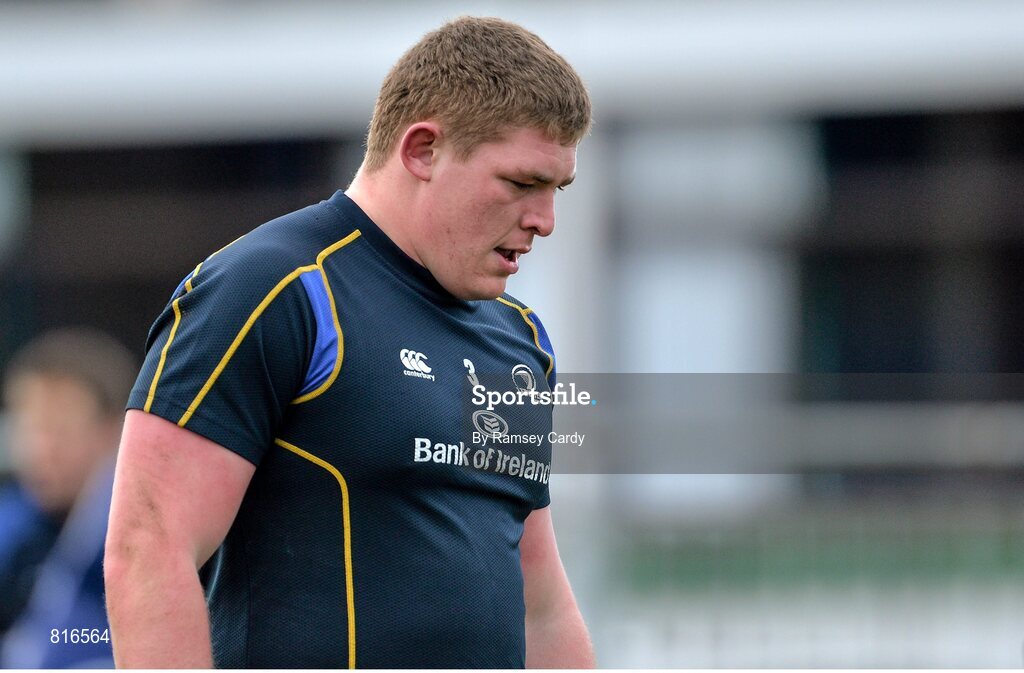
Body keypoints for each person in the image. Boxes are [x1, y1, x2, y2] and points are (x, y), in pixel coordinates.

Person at [105, 16, 594, 669]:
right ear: (421, 150)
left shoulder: (520, 339)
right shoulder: (276, 287)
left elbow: (542, 604)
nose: (545, 221)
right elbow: (147, 547)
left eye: (556, 189)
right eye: (521, 182)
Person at [0, 327, 137, 668]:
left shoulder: (145, 540)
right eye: (30, 428)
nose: (41, 449)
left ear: (114, 433)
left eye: (60, 430)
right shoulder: (13, 526)